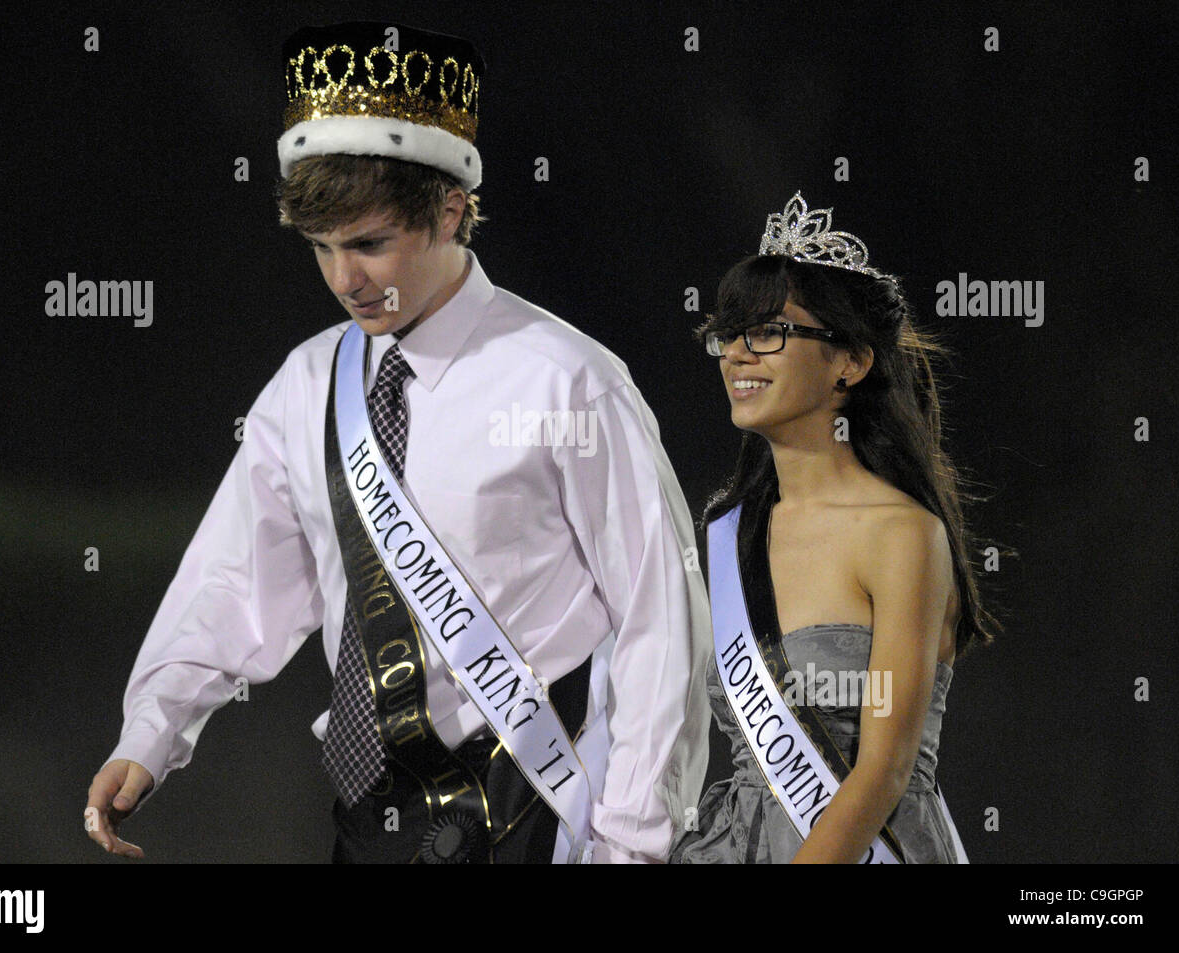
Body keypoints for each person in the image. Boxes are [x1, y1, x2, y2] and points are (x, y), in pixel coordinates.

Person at [82, 20, 711, 865]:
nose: (346, 279)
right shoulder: (307, 384)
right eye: (323, 248)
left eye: (370, 243)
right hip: (369, 818)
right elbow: (235, 582)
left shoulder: (569, 380)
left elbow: (659, 622)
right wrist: (148, 735)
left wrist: (632, 843)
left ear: (451, 209)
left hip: (540, 807)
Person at [671, 192, 1001, 864]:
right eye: (728, 335)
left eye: (768, 333)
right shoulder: (728, 533)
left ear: (849, 360)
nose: (737, 354)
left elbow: (884, 773)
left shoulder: (903, 535)